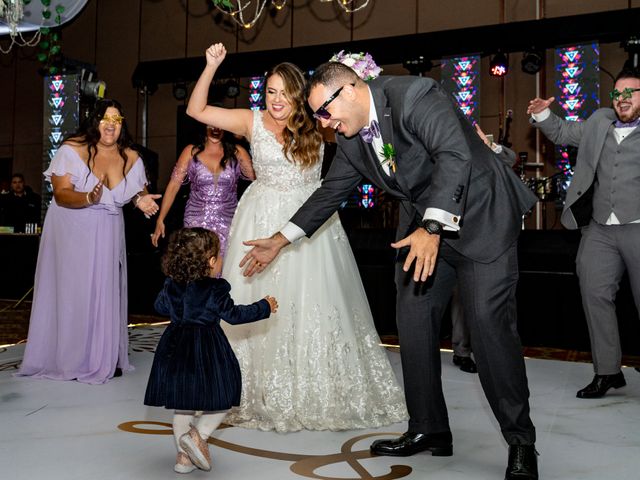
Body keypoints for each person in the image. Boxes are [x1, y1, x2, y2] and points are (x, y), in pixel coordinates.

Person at [240, 62, 540, 479]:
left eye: (325, 113)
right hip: (419, 229)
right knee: (413, 323)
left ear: (346, 91)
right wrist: (280, 238)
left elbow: (454, 156)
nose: (325, 125)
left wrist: (432, 227)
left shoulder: (414, 96)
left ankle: (521, 442)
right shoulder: (349, 138)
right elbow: (331, 192)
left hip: (480, 217)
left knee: (489, 328)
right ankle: (429, 428)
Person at [186, 43, 407, 432]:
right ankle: (244, 390)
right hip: (260, 219)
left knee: (313, 305)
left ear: (299, 95)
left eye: (284, 92)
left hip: (310, 224)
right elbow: (197, 111)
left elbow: (365, 137)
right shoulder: (250, 121)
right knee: (251, 303)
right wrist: (211, 66)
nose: (276, 100)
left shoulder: (323, 122)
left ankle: (312, 389)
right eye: (270, 91)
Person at [17, 99, 161, 384]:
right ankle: (69, 358)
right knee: (74, 292)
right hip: (72, 228)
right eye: (105, 118)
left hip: (108, 229)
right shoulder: (72, 149)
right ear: (94, 121)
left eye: (117, 120)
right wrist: (87, 198)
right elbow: (60, 194)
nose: (110, 124)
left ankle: (101, 357)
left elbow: (137, 190)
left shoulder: (131, 156)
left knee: (104, 291)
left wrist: (141, 199)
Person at [528, 67, 640, 399]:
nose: (622, 100)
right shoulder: (598, 123)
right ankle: (607, 371)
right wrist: (542, 113)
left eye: (630, 93)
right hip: (601, 228)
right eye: (617, 94)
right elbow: (562, 132)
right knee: (594, 293)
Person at [144, 227, 277, 473]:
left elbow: (160, 305)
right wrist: (264, 307)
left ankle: (184, 459)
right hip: (207, 348)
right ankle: (197, 437)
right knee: (222, 396)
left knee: (182, 405)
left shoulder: (171, 284)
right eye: (220, 255)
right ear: (211, 261)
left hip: (175, 347)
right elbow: (235, 315)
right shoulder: (215, 289)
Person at [450, 126, 518, 374]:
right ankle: (461, 351)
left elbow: (510, 160)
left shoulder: (483, 148)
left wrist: (487, 144)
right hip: (455, 230)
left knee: (488, 297)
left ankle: (491, 350)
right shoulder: (445, 146)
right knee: (460, 297)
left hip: (488, 228)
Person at [151, 126, 254, 258]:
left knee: (224, 268)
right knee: (197, 265)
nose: (215, 129)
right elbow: (173, 186)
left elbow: (258, 183)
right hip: (196, 219)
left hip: (229, 221)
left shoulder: (237, 152)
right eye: (211, 124)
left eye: (219, 125)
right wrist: (161, 218)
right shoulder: (191, 152)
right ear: (203, 126)